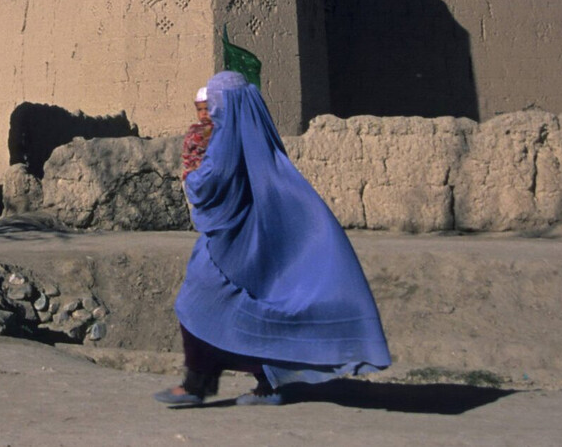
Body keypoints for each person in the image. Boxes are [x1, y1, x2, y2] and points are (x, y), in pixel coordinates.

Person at [154, 70, 391, 407]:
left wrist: (192, 178)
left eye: (216, 102)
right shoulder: (257, 134)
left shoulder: (225, 138)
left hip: (228, 244)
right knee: (242, 305)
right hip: (255, 239)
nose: (212, 109)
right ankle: (256, 382)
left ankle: (200, 384)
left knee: (197, 303)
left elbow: (212, 182)